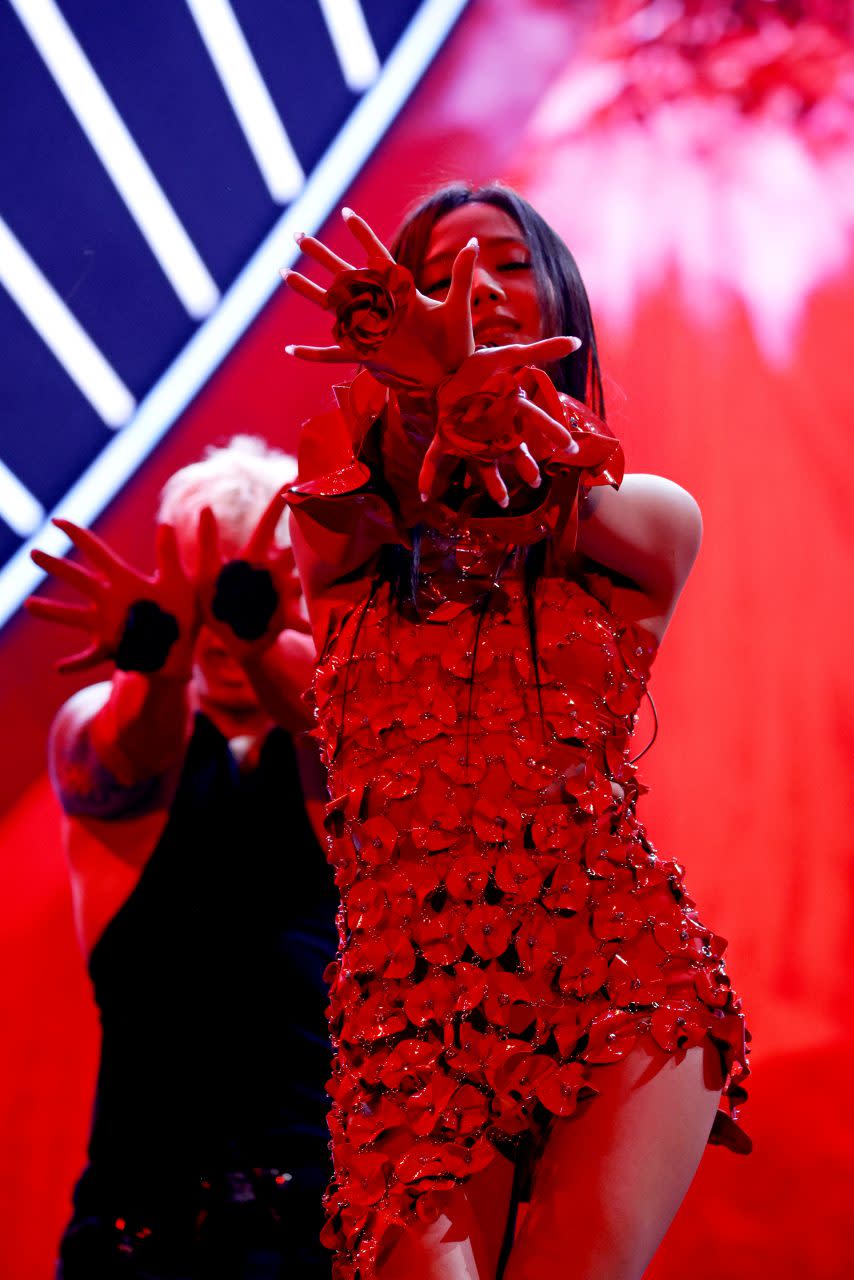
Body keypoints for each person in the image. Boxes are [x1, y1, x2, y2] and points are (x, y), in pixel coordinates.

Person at [280, 186, 751, 1280]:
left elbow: (541, 494)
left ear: (559, 296)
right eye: (437, 274)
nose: (472, 289)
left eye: (501, 261)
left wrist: (478, 411)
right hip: (407, 1012)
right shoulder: (338, 518)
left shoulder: (647, 521)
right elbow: (388, 506)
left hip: (612, 969)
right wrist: (426, 404)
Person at [27, 437, 337, 1279]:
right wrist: (158, 675)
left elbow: (326, 717)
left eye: (245, 586)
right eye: (203, 586)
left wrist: (263, 638)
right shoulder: (106, 720)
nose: (220, 616)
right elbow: (129, 750)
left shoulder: (345, 738)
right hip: (141, 1236)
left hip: (324, 1231)